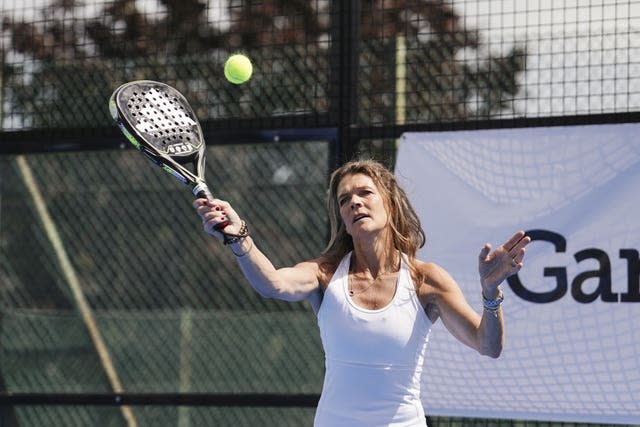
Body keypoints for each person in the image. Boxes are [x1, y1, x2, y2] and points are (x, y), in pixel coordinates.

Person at [193, 159, 530, 427]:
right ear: (342, 216)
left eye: (365, 193)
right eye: (345, 199)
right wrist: (239, 238)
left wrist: (490, 290)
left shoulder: (426, 279)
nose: (354, 202)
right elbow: (273, 283)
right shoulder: (324, 273)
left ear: (390, 204)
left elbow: (488, 345)